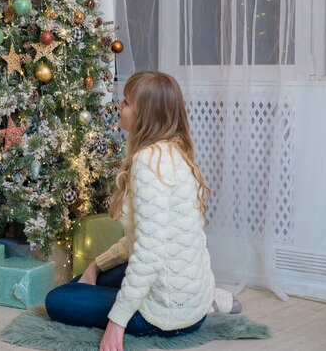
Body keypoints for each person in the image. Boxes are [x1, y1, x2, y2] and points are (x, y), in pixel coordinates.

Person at [46, 71, 221, 349]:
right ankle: (212, 297)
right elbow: (139, 241)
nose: (119, 106)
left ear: (145, 115)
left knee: (57, 300)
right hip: (190, 296)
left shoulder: (148, 162)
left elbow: (149, 253)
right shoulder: (174, 152)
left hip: (165, 316)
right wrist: (95, 265)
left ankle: (141, 307)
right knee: (84, 280)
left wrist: (117, 323)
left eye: (126, 102)